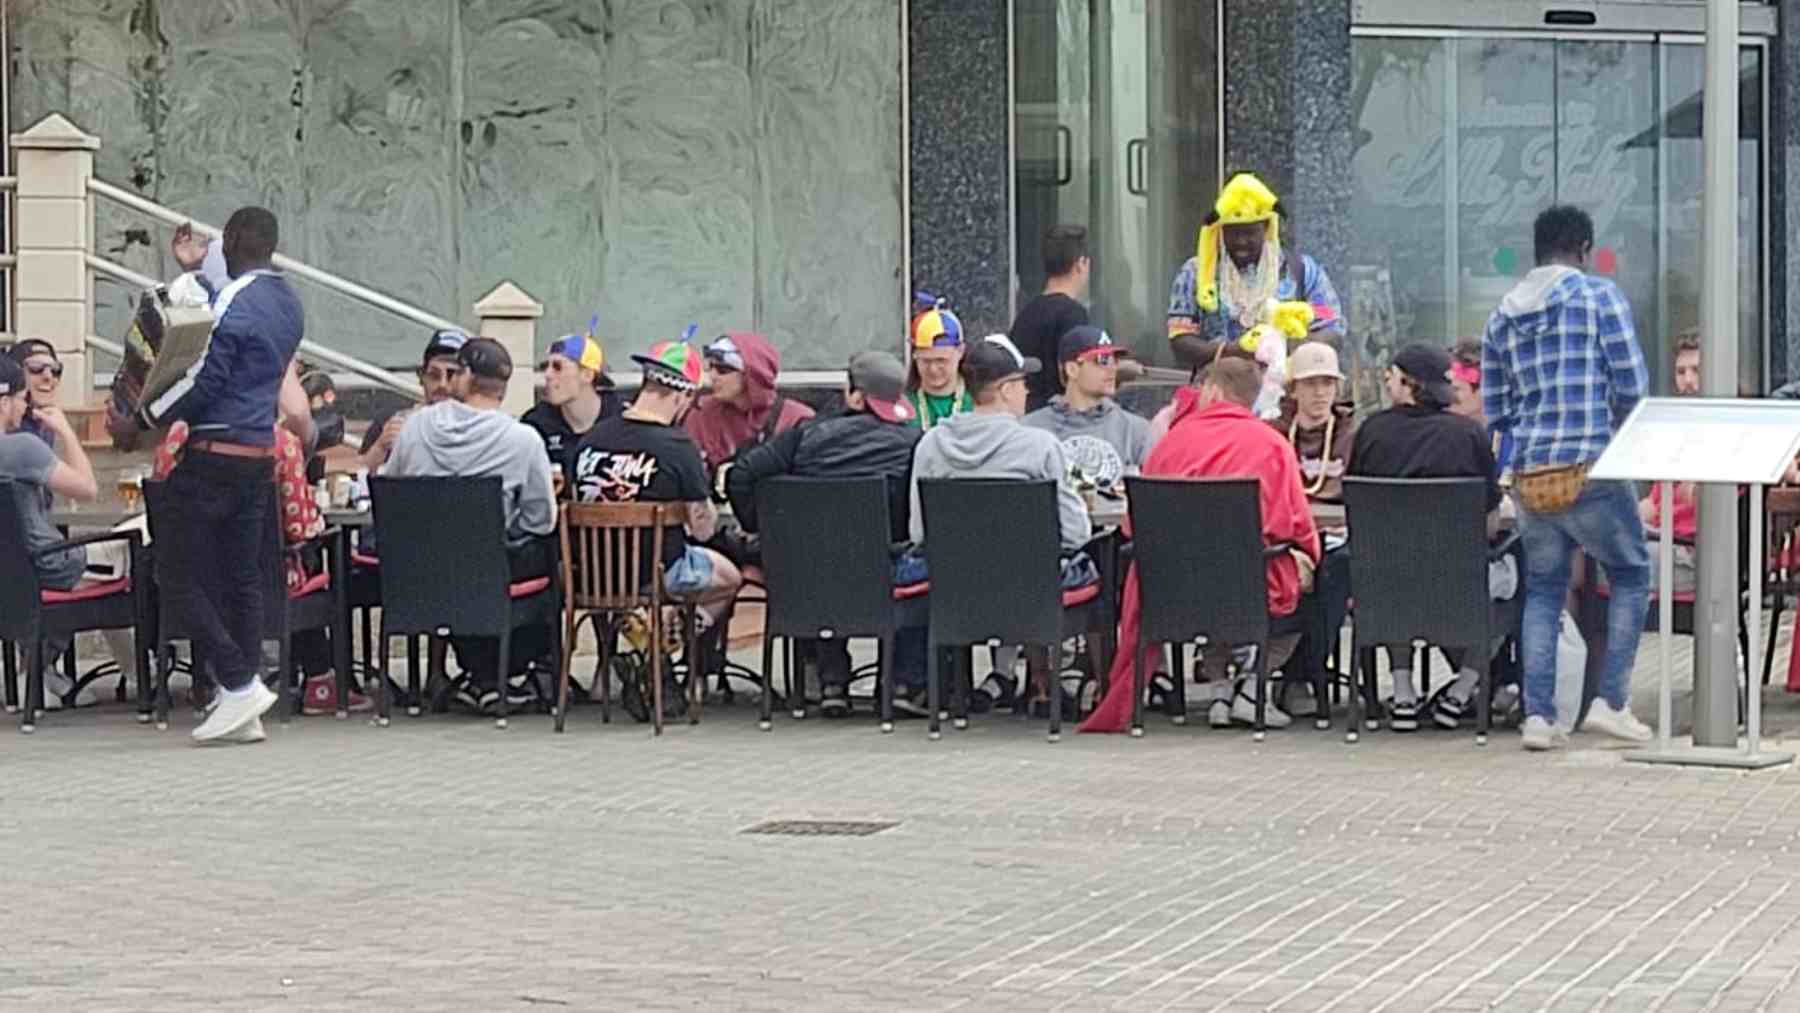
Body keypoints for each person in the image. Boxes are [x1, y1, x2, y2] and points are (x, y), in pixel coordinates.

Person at [1482, 204, 1652, 751]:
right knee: (1630, 573)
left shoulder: (1501, 316)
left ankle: (1540, 717)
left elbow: (1498, 407)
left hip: (1531, 475)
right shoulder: (1598, 297)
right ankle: (1612, 702)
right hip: (1591, 466)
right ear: (1582, 250)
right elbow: (1631, 383)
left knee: (1545, 591)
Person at [134, 206, 303, 745]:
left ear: (231, 240)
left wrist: (148, 413)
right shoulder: (288, 304)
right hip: (259, 451)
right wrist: (196, 267)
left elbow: (206, 379)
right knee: (243, 579)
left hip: (214, 449)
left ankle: (236, 681)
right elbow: (233, 302)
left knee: (174, 571)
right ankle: (243, 704)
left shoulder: (234, 302)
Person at [1081, 357, 1321, 733]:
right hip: (1248, 587)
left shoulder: (1171, 443)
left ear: (1211, 391)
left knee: (1214, 581)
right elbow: (1293, 524)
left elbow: (1132, 527)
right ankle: (1251, 687)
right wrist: (1308, 556)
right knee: (1311, 588)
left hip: (1172, 589)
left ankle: (1222, 690)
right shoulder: (1272, 445)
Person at [726, 351, 923, 717]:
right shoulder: (912, 444)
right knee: (924, 569)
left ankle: (832, 682)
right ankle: (902, 683)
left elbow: (740, 475)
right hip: (884, 574)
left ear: (854, 395)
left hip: (809, 578)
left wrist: (759, 526)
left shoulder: (805, 436)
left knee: (820, 563)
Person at [908, 335, 1094, 717]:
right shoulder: (1040, 447)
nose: (1027, 391)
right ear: (1006, 390)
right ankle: (1067, 682)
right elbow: (1076, 533)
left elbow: (918, 533)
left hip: (956, 591)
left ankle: (999, 680)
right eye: (1022, 383)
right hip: (1032, 590)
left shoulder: (930, 445)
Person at [383, 338, 560, 712]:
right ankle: (506, 673)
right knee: (551, 563)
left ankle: (479, 676)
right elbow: (541, 519)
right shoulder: (522, 441)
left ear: (464, 376)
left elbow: (392, 484)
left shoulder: (414, 428)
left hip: (420, 578)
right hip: (492, 576)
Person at [1348, 342, 1508, 731]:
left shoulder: (1372, 431)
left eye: (1392, 374)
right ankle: (1463, 688)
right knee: (1518, 586)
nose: (1387, 380)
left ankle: (1401, 692)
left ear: (1409, 383)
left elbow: (1353, 497)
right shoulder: (1469, 435)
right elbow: (1490, 513)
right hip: (1457, 583)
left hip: (1383, 581)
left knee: (1394, 571)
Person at [568, 339, 745, 640]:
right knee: (729, 577)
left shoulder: (590, 439)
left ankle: (621, 651)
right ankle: (665, 643)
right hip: (656, 575)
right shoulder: (678, 447)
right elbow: (703, 529)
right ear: (682, 396)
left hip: (592, 576)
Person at [1165, 172, 1345, 369]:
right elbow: (1179, 338)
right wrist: (1233, 352)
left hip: (1284, 392)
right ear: (1221, 230)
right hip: (1219, 391)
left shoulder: (1302, 270)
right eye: (1233, 232)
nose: (1241, 241)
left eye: (1250, 232)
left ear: (1266, 227)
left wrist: (1286, 348)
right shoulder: (1196, 272)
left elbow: (1332, 327)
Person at [685, 332, 813, 472]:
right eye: (711, 367)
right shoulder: (702, 415)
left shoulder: (796, 419)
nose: (713, 376)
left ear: (752, 375)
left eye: (723, 370)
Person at [1638, 333, 1702, 594]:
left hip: (1691, 554)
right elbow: (1651, 506)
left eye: (1697, 370)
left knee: (1581, 563)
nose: (1687, 381)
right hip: (1660, 541)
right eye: (1680, 372)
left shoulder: (1730, 433)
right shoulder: (1679, 431)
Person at [360, 328, 470, 472]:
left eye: (452, 375)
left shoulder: (477, 428)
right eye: (434, 375)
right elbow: (357, 478)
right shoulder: (393, 421)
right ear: (421, 377)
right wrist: (381, 446)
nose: (442, 385)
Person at [1009, 224, 1092, 411]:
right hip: (1059, 420)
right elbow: (1077, 378)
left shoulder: (1026, 314)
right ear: (1081, 264)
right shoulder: (1073, 314)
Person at [521, 333, 624, 473]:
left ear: (587, 375)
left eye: (557, 367)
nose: (547, 375)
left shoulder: (621, 419)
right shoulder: (536, 423)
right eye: (546, 367)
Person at [1271, 342, 1356, 504]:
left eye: (1327, 383)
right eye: (1310, 383)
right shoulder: (1274, 436)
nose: (1320, 392)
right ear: (1293, 389)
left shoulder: (1354, 437)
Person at [905, 297, 973, 429]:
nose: (933, 369)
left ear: (960, 351)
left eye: (941, 360)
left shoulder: (979, 401)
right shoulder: (902, 404)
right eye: (925, 361)